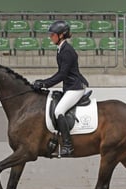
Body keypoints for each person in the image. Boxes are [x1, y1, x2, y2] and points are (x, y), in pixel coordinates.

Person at [33, 20, 89, 157]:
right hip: (69, 86)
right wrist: (43, 83)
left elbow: (62, 74)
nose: (50, 37)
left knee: (59, 111)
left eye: (52, 34)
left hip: (75, 87)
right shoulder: (61, 49)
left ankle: (68, 146)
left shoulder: (67, 51)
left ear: (61, 35)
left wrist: (44, 84)